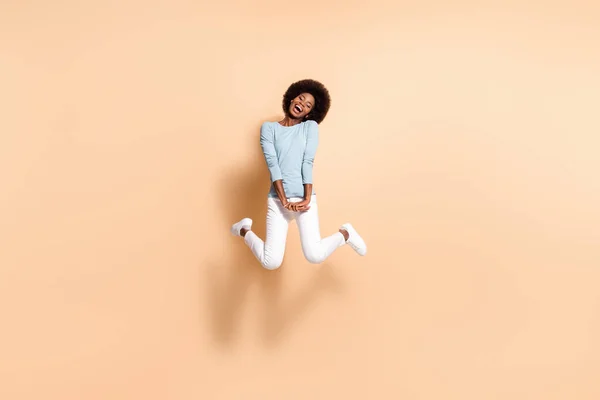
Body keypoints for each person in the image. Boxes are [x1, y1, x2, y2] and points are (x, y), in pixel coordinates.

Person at [231, 79, 367, 270]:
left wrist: (306, 198)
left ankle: (346, 234)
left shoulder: (309, 127)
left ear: (309, 112)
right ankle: (243, 229)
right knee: (271, 262)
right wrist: (284, 200)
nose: (301, 104)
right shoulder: (269, 128)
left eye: (307, 105)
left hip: (304, 199)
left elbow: (307, 162)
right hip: (278, 201)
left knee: (314, 255)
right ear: (292, 98)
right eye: (301, 99)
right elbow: (273, 164)